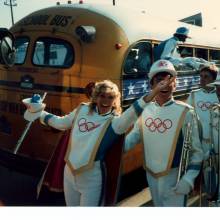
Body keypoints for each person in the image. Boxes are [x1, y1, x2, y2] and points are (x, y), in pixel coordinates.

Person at [22, 79, 173, 206]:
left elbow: (134, 110)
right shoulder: (81, 109)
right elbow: (61, 123)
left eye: (110, 97)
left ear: (115, 100)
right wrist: (39, 112)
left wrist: (154, 92)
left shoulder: (116, 123)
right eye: (102, 96)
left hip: (92, 178)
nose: (106, 100)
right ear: (96, 97)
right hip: (69, 173)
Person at [125, 59, 203, 207]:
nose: (165, 84)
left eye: (169, 80)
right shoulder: (145, 110)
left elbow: (197, 152)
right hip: (151, 176)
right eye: (159, 80)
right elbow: (131, 140)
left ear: (175, 84)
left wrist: (189, 178)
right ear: (152, 84)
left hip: (175, 178)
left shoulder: (186, 112)